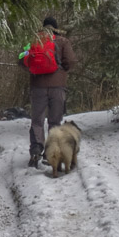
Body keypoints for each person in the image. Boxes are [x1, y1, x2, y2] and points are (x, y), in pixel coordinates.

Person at [23, 14, 76, 167]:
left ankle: (35, 150)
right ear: (56, 27)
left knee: (37, 120)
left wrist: (33, 69)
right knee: (54, 121)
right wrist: (63, 70)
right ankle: (51, 153)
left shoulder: (33, 41)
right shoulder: (63, 41)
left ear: (43, 26)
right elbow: (71, 61)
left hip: (37, 87)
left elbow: (22, 60)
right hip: (57, 87)